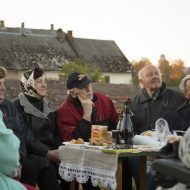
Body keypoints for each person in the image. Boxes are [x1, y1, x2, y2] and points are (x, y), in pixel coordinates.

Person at [57, 72, 119, 190]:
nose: (89, 89)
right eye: (83, 87)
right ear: (73, 93)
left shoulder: (103, 99)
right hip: (82, 159)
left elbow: (116, 123)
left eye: (89, 84)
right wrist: (87, 114)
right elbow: (73, 142)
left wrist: (113, 133)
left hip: (107, 153)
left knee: (126, 164)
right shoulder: (64, 111)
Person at [130, 64, 186, 190]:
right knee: (133, 159)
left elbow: (185, 127)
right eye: (150, 75)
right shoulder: (133, 103)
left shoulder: (178, 99)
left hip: (171, 149)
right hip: (141, 151)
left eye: (157, 74)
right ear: (141, 81)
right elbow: (129, 132)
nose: (155, 76)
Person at [12, 66, 64, 190]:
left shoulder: (49, 106)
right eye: (39, 81)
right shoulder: (17, 106)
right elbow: (26, 136)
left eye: (45, 81)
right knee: (44, 163)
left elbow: (56, 133)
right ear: (28, 84)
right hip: (28, 156)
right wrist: (48, 153)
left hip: (49, 154)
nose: (44, 85)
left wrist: (61, 150)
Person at [0, 67, 26, 163]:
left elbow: (19, 136)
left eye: (3, 83)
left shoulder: (10, 107)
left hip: (13, 161)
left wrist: (19, 158)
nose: (3, 88)